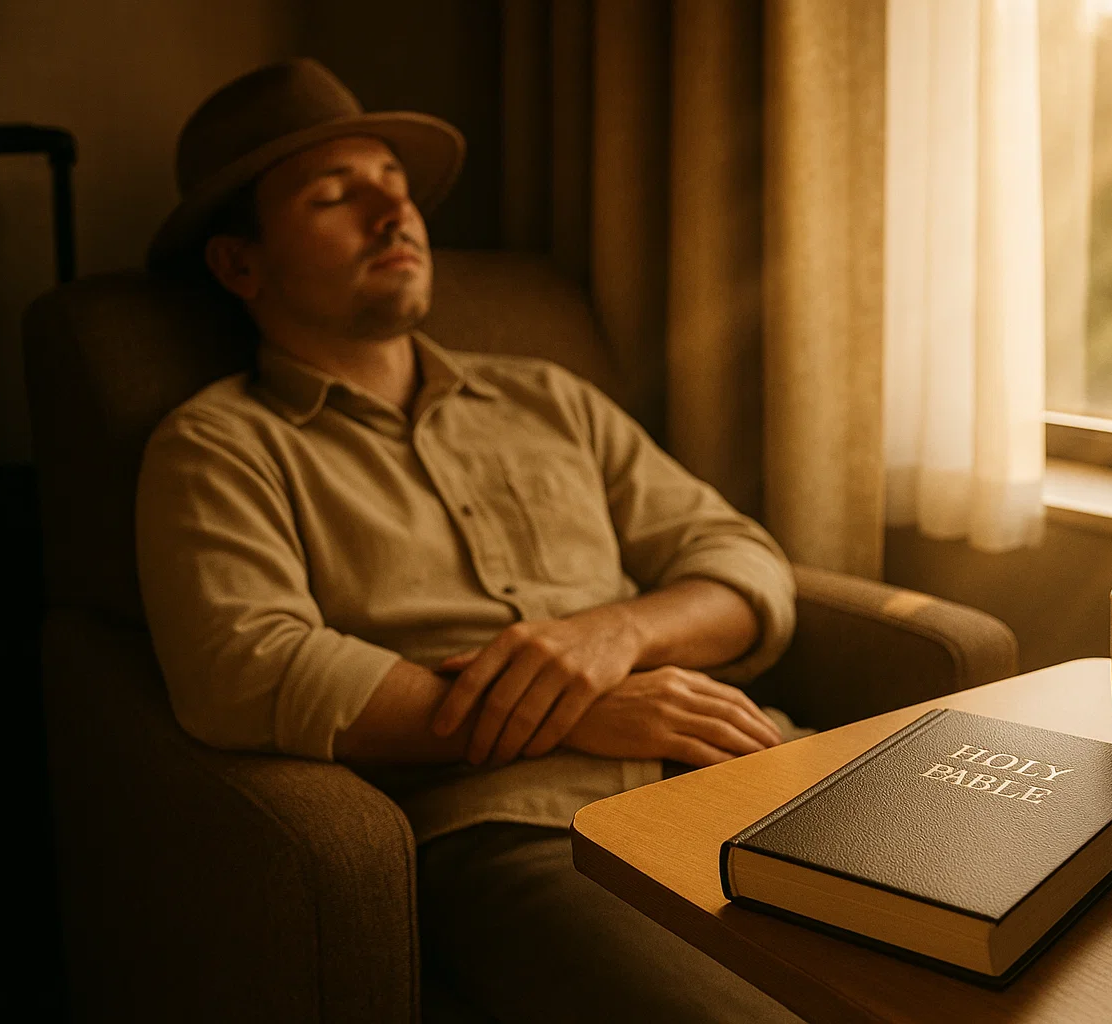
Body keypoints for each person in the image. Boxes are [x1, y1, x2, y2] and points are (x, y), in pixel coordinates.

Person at [136, 59, 804, 1023]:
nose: (392, 214)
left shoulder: (547, 395)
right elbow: (247, 664)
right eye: (335, 197)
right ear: (240, 264)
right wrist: (578, 710)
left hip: (743, 760)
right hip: (520, 833)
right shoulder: (218, 444)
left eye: (395, 187)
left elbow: (740, 559)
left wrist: (614, 635)